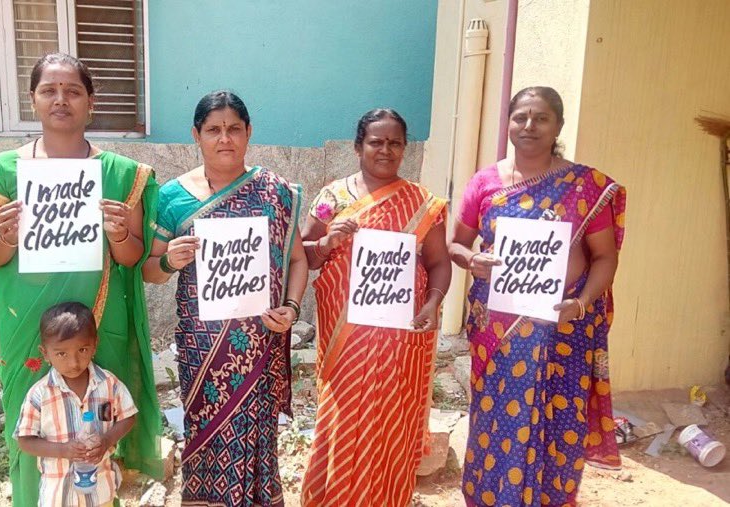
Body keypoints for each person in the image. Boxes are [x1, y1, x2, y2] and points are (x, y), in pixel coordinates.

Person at [0, 53, 161, 507]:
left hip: (100, 323)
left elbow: (133, 257)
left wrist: (119, 234)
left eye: (73, 91)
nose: (61, 100)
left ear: (90, 103)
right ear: (33, 101)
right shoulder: (5, 170)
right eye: (49, 91)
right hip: (31, 324)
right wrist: (5, 237)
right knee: (32, 421)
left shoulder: (120, 174)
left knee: (101, 423)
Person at [449, 86, 626, 506]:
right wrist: (471, 260)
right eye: (520, 117)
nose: (529, 126)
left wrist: (580, 304)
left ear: (558, 126)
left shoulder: (585, 186)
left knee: (558, 428)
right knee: (496, 425)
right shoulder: (486, 182)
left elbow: (604, 258)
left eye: (541, 118)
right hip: (499, 336)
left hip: (563, 333)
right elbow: (456, 244)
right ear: (508, 123)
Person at [143, 90, 308, 506]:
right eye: (214, 130)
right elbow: (149, 270)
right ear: (197, 136)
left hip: (261, 342)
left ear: (248, 133)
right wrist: (170, 262)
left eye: (234, 129)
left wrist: (290, 307)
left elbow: (299, 260)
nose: (225, 139)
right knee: (206, 432)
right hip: (204, 349)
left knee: (259, 437)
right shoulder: (173, 197)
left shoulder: (275, 192)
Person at [299, 109, 452, 506]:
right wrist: (327, 242)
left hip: (398, 344)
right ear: (358, 146)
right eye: (376, 142)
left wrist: (433, 303)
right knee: (343, 416)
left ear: (404, 147)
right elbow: (303, 255)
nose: (385, 150)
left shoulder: (423, 203)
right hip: (344, 341)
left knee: (389, 421)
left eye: (395, 143)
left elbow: (437, 263)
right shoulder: (333, 198)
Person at [16, 302, 137, 506]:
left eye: (82, 349)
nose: (73, 362)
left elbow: (128, 417)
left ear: (95, 345)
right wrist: (63, 450)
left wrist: (107, 440)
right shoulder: (39, 395)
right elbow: (25, 440)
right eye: (61, 353)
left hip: (101, 492)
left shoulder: (109, 385)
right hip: (58, 495)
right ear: (45, 353)